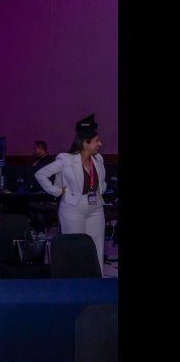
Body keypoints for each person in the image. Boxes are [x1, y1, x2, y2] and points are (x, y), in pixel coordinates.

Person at [35, 114, 107, 272]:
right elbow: (40, 174)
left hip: (96, 208)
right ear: (85, 143)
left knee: (97, 246)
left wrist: (102, 187)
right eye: (96, 141)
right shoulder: (66, 159)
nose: (100, 144)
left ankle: (97, 281)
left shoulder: (98, 159)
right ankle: (76, 283)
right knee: (75, 247)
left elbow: (101, 181)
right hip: (73, 208)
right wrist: (57, 191)